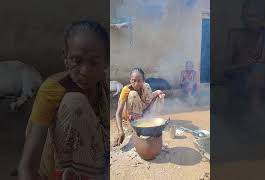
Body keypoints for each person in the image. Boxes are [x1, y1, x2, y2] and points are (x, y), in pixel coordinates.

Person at [18, 20, 109, 180]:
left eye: (94, 62)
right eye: (77, 60)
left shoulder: (105, 84)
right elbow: (27, 165)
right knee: (75, 103)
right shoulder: (52, 89)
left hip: (97, 161)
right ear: (65, 58)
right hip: (54, 163)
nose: (85, 71)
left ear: (106, 62)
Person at [224, 0, 265, 113]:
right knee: (255, 74)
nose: (253, 19)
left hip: (263, 81)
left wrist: (258, 69)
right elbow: (225, 68)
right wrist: (246, 66)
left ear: (263, 17)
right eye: (249, 15)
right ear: (242, 17)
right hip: (239, 78)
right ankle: (256, 118)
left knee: (261, 73)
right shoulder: (234, 35)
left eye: (257, 15)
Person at [113, 68, 165, 147]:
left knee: (157, 94)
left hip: (142, 112)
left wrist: (158, 93)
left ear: (143, 80)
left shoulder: (145, 87)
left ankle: (146, 119)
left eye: (139, 81)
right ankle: (135, 126)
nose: (136, 83)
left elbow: (150, 99)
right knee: (133, 94)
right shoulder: (126, 90)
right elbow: (118, 113)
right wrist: (120, 131)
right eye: (133, 80)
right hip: (129, 115)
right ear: (130, 80)